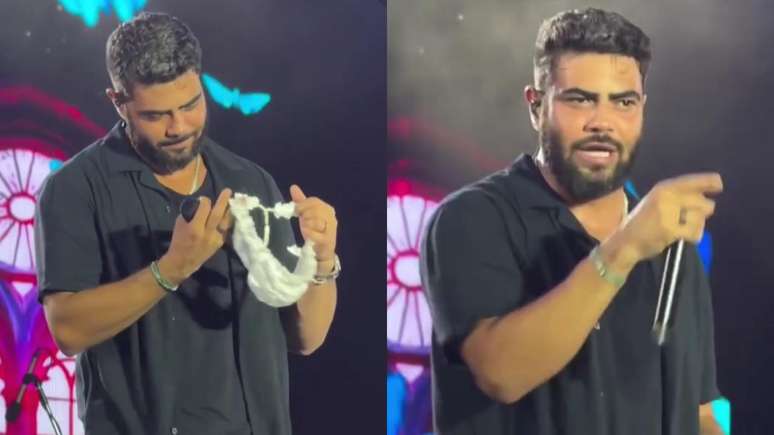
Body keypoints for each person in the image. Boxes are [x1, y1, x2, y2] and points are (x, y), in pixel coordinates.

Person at [421, 8, 724, 435]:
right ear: (536, 105)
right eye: (580, 99)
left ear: (642, 109)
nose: (602, 122)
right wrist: (624, 248)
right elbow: (501, 373)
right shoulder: (471, 219)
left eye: (623, 102)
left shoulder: (673, 248)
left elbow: (701, 411)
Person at [34, 12, 340, 435]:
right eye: (156, 115)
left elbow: (306, 338)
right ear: (118, 102)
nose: (178, 127)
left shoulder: (250, 181)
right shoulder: (75, 189)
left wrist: (320, 261)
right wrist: (172, 268)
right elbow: (67, 329)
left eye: (191, 104)